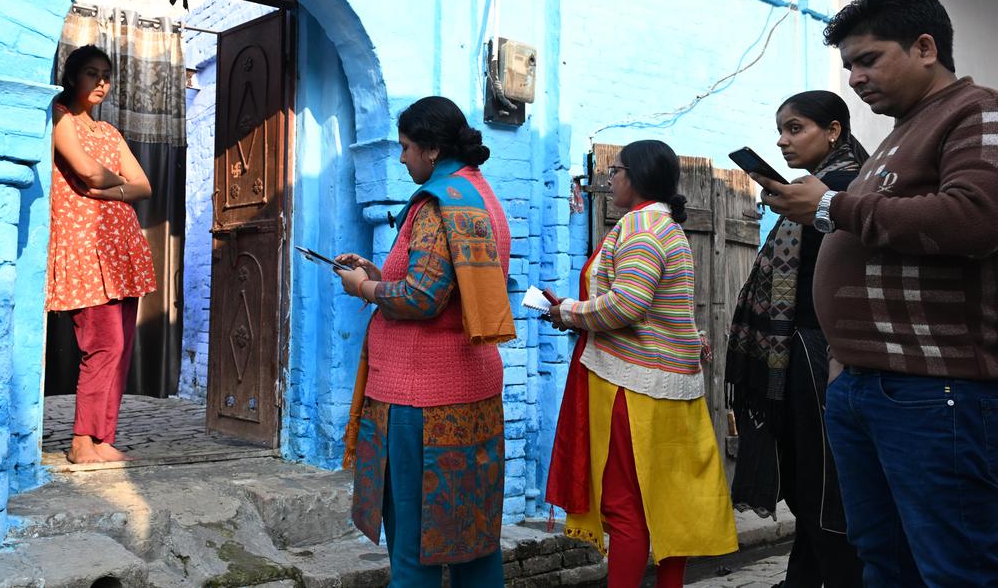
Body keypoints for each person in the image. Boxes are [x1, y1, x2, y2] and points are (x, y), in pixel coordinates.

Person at [756, 0, 998, 587]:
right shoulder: (900, 134)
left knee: (955, 566)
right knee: (885, 561)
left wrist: (832, 205)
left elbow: (975, 218)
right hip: (869, 386)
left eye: (868, 59)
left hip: (934, 388)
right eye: (848, 66)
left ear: (925, 48)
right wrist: (846, 360)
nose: (856, 78)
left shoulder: (976, 112)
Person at [337, 96, 515, 587]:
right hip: (471, 389)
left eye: (406, 147)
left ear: (432, 149)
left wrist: (364, 289)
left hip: (423, 400)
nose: (401, 158)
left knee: (415, 549)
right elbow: (447, 286)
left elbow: (422, 296)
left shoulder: (438, 203)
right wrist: (377, 275)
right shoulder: (480, 195)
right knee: (474, 541)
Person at [545, 140, 738, 588]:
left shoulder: (641, 228)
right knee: (671, 504)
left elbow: (627, 306)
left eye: (615, 171)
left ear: (636, 177)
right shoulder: (667, 228)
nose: (610, 179)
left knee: (624, 509)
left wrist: (568, 312)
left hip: (632, 390)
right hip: (673, 386)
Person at [727, 91, 868, 588]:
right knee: (810, 483)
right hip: (802, 352)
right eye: (780, 131)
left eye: (795, 128)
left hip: (819, 355)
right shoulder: (811, 192)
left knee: (821, 483)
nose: (783, 141)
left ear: (833, 131)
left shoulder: (844, 190)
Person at [47, 45, 156, 464]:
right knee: (103, 343)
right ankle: (81, 440)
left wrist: (109, 190)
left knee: (121, 345)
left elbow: (143, 185)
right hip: (84, 246)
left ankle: (102, 437)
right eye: (92, 73)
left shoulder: (109, 132)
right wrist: (116, 183)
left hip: (121, 246)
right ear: (73, 76)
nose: (101, 82)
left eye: (107, 75)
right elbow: (85, 170)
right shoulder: (60, 116)